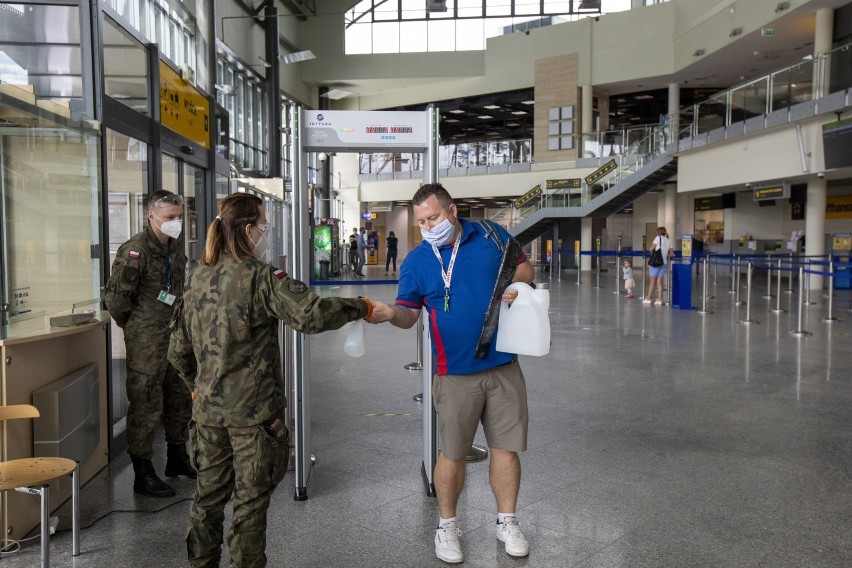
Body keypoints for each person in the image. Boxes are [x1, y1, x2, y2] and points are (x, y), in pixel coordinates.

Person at [167, 193, 374, 568]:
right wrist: (363, 306)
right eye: (261, 225)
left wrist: (198, 390)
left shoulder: (196, 277)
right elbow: (311, 314)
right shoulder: (259, 277)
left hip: (208, 418)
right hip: (253, 421)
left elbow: (177, 351)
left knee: (206, 501)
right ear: (247, 229)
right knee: (248, 507)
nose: (263, 233)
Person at [367, 183, 536, 564]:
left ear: (452, 211)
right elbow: (409, 314)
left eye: (434, 218)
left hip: (505, 364)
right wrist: (392, 314)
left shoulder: (492, 236)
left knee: (506, 449)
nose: (428, 227)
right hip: (454, 372)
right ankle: (446, 526)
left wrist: (516, 283)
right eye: (422, 222)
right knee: (453, 454)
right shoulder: (417, 261)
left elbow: (524, 265)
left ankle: (506, 521)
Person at [104, 189, 195, 498]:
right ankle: (142, 471)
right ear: (151, 216)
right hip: (146, 340)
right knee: (145, 401)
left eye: (179, 217)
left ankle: (177, 456)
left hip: (175, 335)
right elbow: (116, 300)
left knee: (179, 395)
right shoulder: (135, 250)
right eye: (170, 218)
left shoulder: (175, 246)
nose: (176, 223)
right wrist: (136, 326)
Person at [643, 226, 672, 305]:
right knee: (660, 282)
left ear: (659, 232)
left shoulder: (657, 238)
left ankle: (648, 299)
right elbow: (671, 253)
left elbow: (651, 249)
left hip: (655, 263)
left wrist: (653, 255)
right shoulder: (669, 240)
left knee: (652, 282)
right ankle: (659, 300)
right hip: (664, 263)